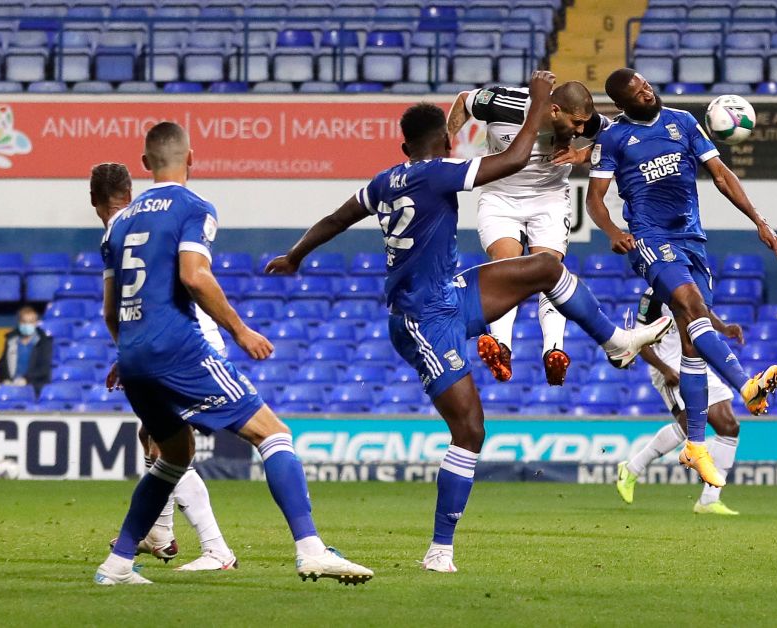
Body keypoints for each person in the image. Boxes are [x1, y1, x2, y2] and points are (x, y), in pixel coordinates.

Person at [266, 71, 672, 573]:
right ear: (443, 141)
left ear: (403, 144)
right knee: (471, 429)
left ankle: (615, 342)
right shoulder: (439, 172)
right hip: (422, 320)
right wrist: (540, 98)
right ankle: (439, 551)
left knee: (547, 267)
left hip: (449, 293)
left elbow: (334, 219)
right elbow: (516, 158)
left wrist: (294, 256)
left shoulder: (383, 181)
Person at [94, 123, 372, 586]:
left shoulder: (119, 223)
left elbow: (110, 308)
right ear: (192, 158)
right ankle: (311, 549)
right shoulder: (194, 207)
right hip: (177, 347)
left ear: (145, 165)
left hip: (134, 355)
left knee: (172, 456)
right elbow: (194, 275)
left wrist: (129, 351)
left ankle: (118, 564)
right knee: (273, 433)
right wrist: (240, 331)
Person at [586, 68, 777, 488]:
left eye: (647, 85)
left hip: (692, 239)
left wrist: (760, 221)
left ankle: (696, 446)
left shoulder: (682, 121)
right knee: (691, 306)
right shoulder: (612, 139)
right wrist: (614, 233)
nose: (648, 92)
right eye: (638, 92)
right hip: (650, 237)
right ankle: (746, 385)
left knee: (692, 345)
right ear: (622, 105)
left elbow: (721, 176)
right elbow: (594, 200)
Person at [90, 161, 238, 571]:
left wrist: (130, 352)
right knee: (151, 435)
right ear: (131, 190)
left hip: (183, 340)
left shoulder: (117, 232)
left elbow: (114, 310)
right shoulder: (150, 219)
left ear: (92, 199)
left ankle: (216, 550)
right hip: (185, 335)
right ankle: (160, 531)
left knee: (171, 445)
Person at [446, 81, 607, 386]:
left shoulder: (586, 123)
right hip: (500, 194)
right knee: (505, 262)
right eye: (575, 123)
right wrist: (445, 142)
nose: (579, 129)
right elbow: (465, 101)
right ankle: (501, 346)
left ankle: (554, 351)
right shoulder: (501, 103)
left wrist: (581, 156)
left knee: (549, 269)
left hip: (549, 196)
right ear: (554, 110)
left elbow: (614, 138)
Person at [616, 288, 742, 515]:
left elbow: (699, 312)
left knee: (729, 426)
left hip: (694, 362)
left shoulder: (691, 284)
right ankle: (632, 469)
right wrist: (664, 370)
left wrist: (724, 328)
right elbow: (639, 342)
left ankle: (709, 500)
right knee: (689, 427)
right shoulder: (653, 295)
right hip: (669, 365)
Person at [0, 306, 53, 396]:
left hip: (35, 385)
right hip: (11, 384)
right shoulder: (11, 340)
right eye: (24, 322)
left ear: (36, 323)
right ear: (19, 322)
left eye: (31, 322)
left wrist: (26, 379)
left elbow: (44, 369)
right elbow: (2, 364)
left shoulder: (44, 342)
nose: (27, 325)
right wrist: (6, 379)